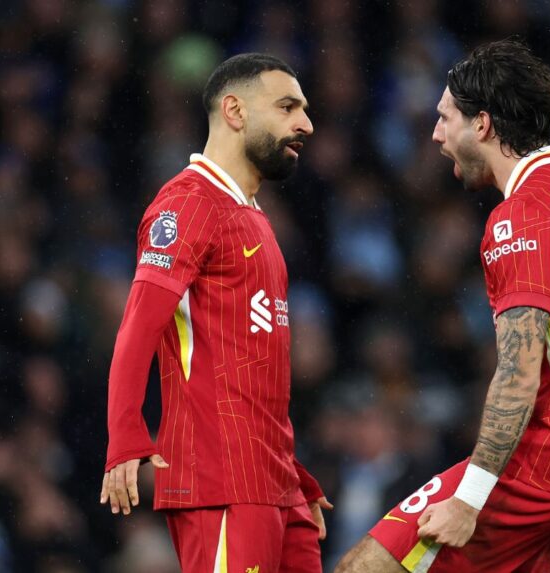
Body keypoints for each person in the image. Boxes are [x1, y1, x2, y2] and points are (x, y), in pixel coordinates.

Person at [336, 39, 550, 573]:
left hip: (542, 465)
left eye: (445, 118)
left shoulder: (521, 216)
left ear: (484, 125)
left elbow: (518, 372)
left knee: (365, 567)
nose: (435, 134)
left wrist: (470, 499)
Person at [99, 53, 332, 573]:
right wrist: (125, 436)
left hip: (274, 484)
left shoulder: (253, 219)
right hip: (221, 481)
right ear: (234, 111)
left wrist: (290, 470)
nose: (306, 124)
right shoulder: (187, 205)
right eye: (288, 106)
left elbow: (248, 367)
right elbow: (138, 328)